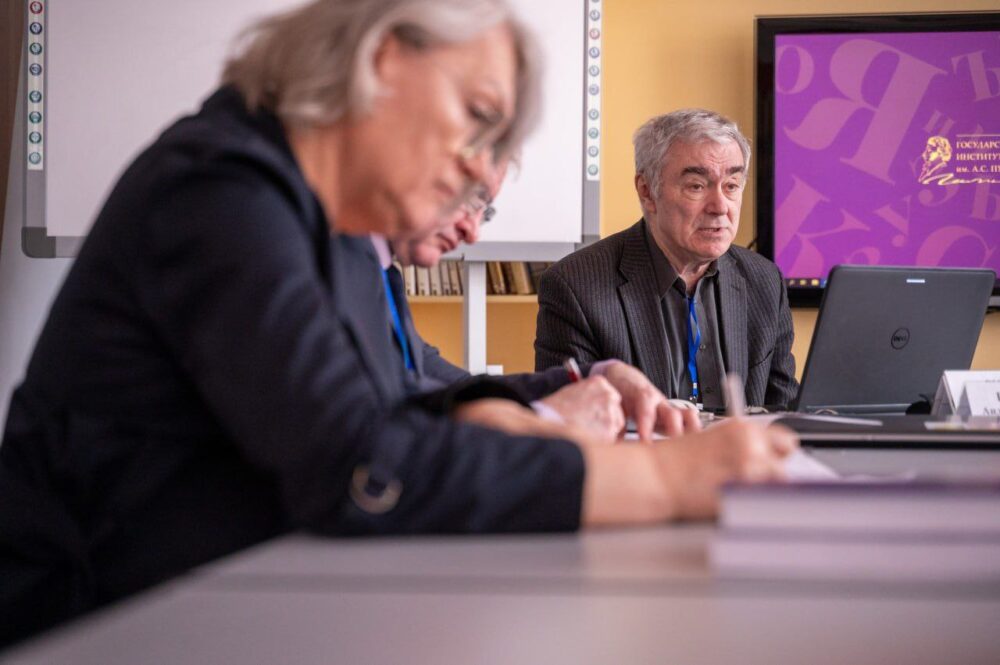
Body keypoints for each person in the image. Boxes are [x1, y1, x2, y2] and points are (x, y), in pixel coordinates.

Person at [0, 2, 796, 646]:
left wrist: (574, 383)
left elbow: (402, 390)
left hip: (228, 598)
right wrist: (664, 480)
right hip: (101, 623)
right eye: (478, 117)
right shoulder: (221, 191)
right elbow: (363, 465)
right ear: (384, 61)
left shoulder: (331, 225)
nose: (481, 169)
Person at [376, 161, 700, 440]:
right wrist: (545, 419)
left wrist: (597, 374)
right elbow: (374, 429)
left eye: (485, 211)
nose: (472, 234)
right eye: (471, 199)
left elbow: (450, 388)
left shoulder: (382, 271)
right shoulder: (353, 268)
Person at [534, 109, 798, 410]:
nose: (720, 206)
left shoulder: (764, 280)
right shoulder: (576, 287)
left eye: (732, 186)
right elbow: (570, 423)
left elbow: (786, 414)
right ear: (647, 191)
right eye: (697, 186)